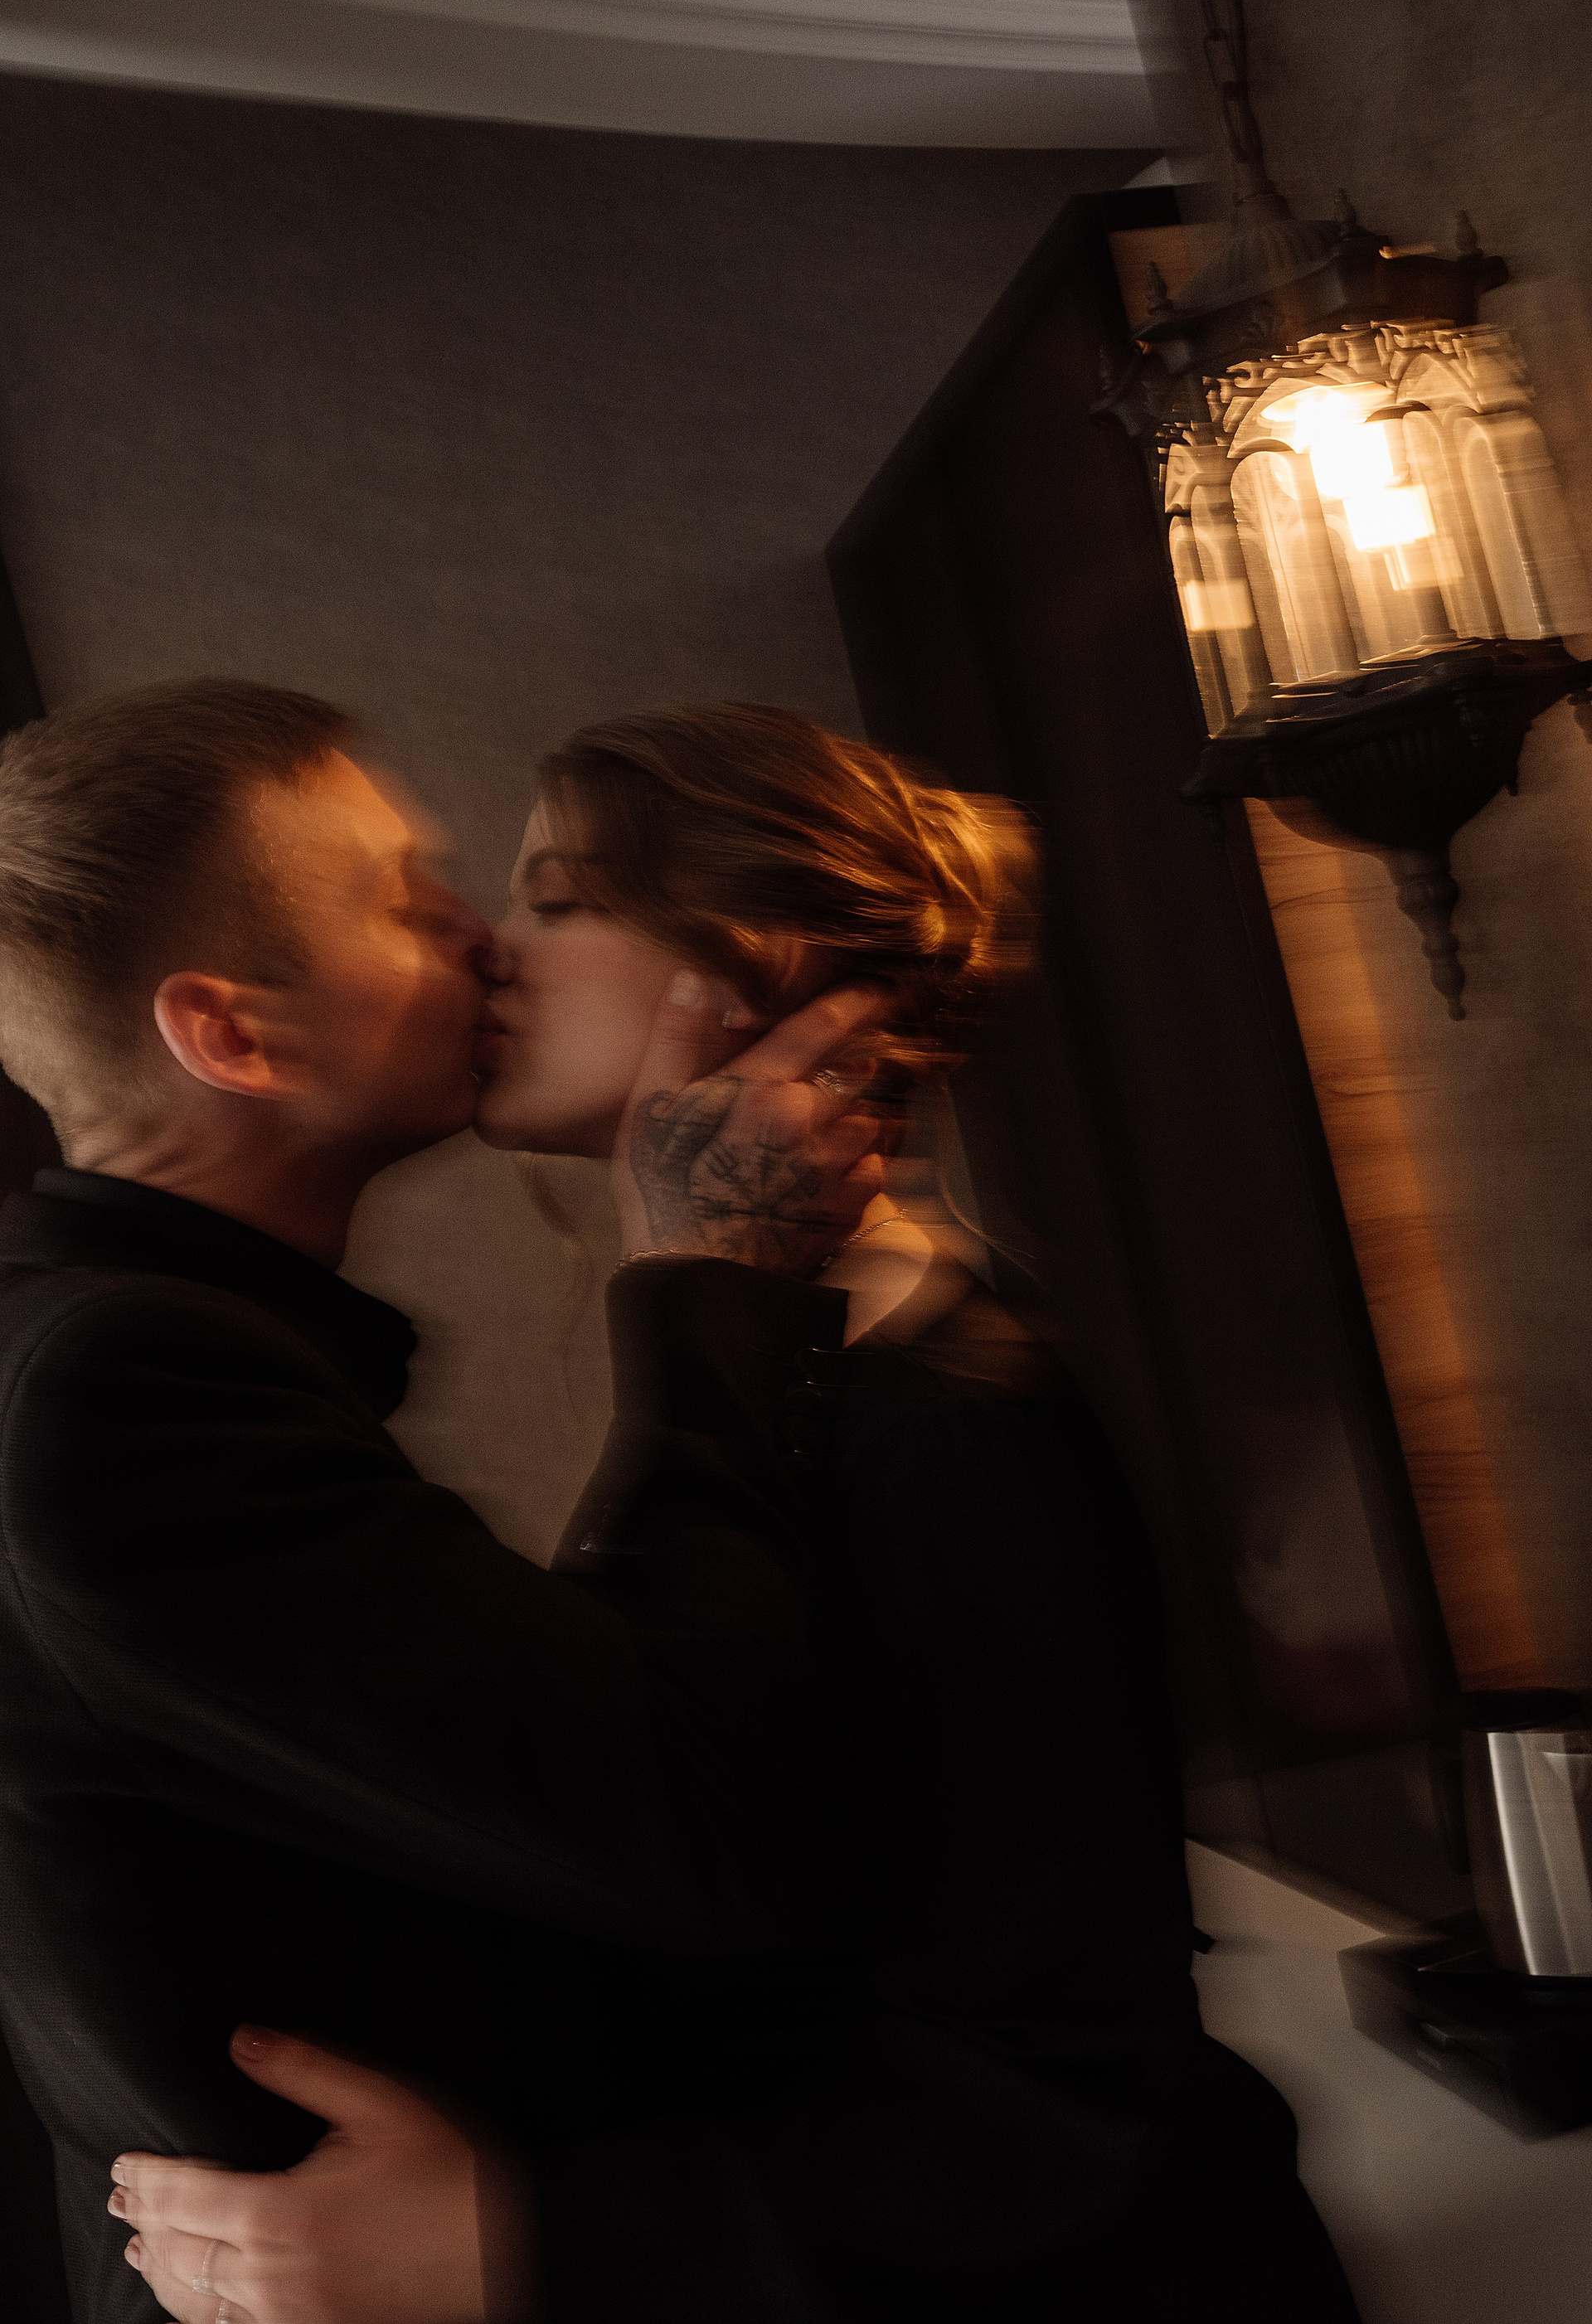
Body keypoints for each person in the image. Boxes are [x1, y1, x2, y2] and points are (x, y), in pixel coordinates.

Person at [112, 704, 1362, 2323]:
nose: (491, 949)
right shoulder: (804, 1383)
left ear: (755, 962)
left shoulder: (948, 1423)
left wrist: (527, 2237)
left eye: (560, 899)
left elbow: (1066, 2092)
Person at [0, 680, 891, 2324]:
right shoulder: (119, 1395)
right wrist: (708, 1284)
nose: (484, 940)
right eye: (411, 905)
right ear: (233, 1035)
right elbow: (710, 1830)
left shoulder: (94, 1354)